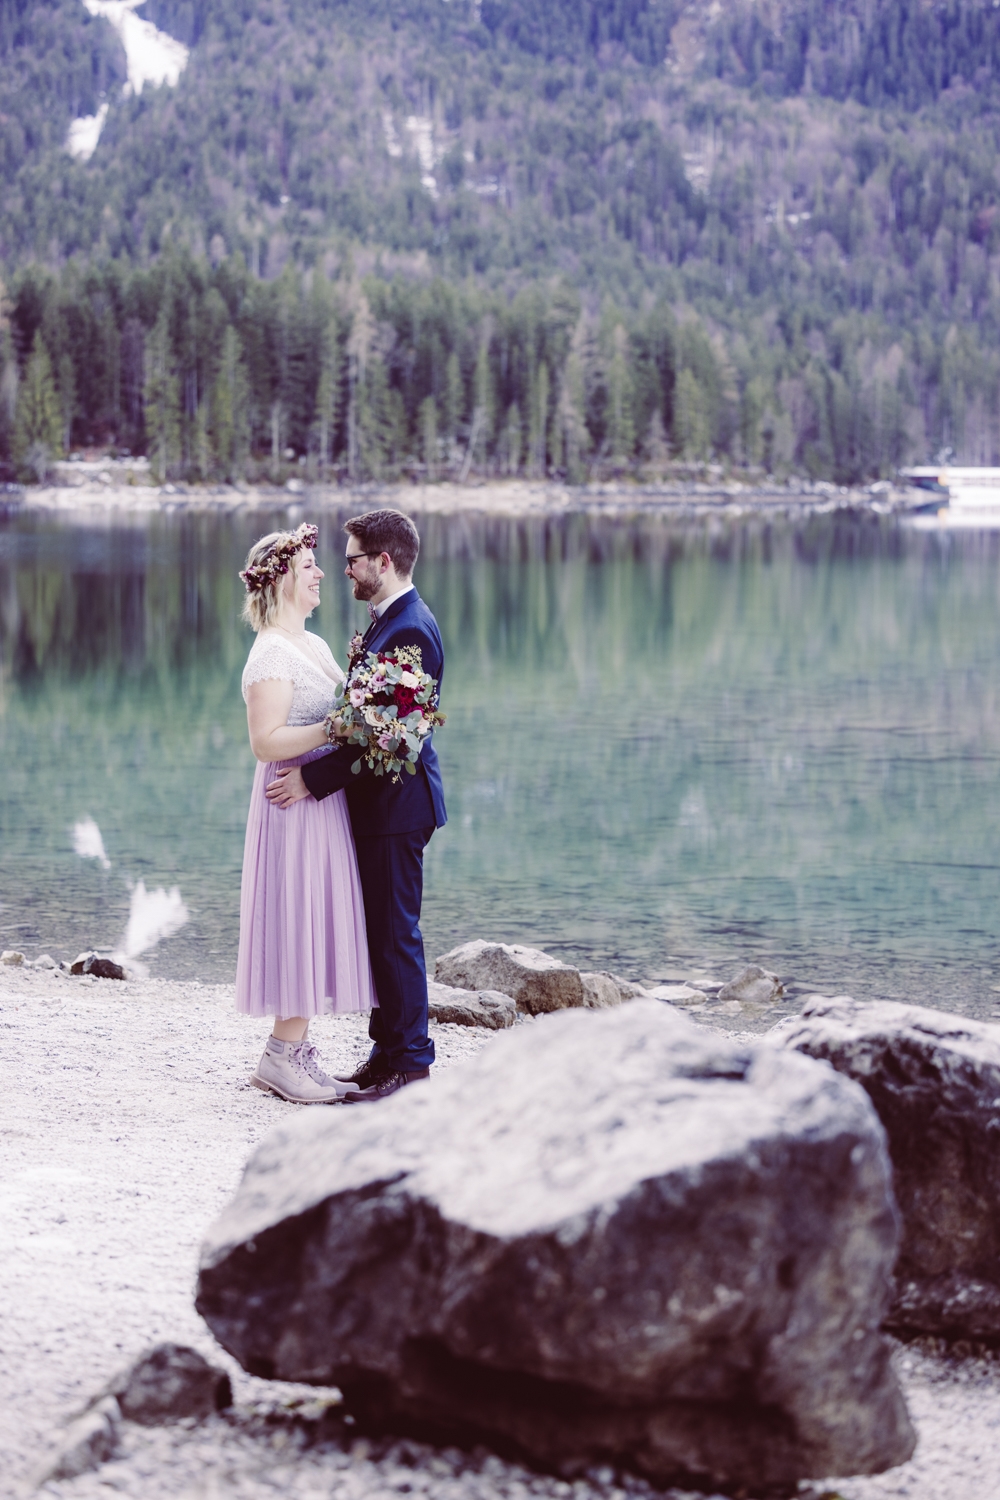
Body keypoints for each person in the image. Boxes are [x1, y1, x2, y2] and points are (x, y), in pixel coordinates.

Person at [266, 509, 446, 1102]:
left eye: (352, 561)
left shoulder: (410, 629)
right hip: (378, 808)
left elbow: (389, 737)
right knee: (381, 937)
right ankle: (386, 1052)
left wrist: (312, 780)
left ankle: (411, 1066)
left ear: (383, 562)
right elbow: (366, 721)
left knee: (396, 938)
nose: (343, 570)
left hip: (397, 809)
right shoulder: (390, 621)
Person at [236, 522, 377, 1104]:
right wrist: (336, 727)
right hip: (289, 799)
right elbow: (265, 741)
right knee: (296, 916)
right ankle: (281, 1057)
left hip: (318, 797)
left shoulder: (312, 644)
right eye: (309, 566)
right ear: (283, 581)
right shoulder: (270, 651)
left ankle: (294, 1052)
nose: (321, 573)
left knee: (313, 916)